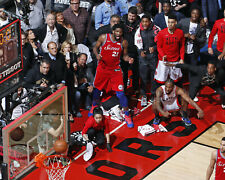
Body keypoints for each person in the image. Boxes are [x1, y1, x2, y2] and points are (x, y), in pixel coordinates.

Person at [91, 23, 134, 128]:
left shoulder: (123, 42)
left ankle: (127, 114)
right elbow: (95, 48)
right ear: (113, 31)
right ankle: (94, 106)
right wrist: (97, 55)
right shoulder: (104, 37)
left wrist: (128, 59)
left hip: (115, 70)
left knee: (121, 93)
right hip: (103, 68)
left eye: (120, 32)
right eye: (117, 32)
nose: (118, 34)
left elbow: (124, 56)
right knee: (97, 89)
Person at [134, 15, 160, 106]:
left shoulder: (156, 29)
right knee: (143, 77)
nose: (144, 23)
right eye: (143, 21)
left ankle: (153, 94)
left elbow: (160, 43)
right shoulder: (139, 31)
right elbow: (137, 44)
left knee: (153, 77)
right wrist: (140, 51)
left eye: (146, 21)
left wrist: (154, 48)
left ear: (150, 22)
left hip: (153, 57)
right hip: (143, 57)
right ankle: (144, 95)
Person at [154, 13, 185, 87]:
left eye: (172, 22)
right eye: (169, 22)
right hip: (164, 60)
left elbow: (182, 46)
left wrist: (182, 58)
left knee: (176, 80)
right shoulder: (161, 33)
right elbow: (159, 47)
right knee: (160, 80)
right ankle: (158, 96)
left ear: (176, 23)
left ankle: (177, 96)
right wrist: (162, 55)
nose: (170, 24)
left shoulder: (180, 33)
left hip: (175, 60)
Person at [121, 6, 140, 93]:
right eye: (130, 15)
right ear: (127, 14)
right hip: (124, 51)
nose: (131, 18)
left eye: (133, 16)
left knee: (135, 71)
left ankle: (136, 89)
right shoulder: (122, 22)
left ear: (136, 16)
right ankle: (124, 89)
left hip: (134, 51)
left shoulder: (140, 24)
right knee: (124, 72)